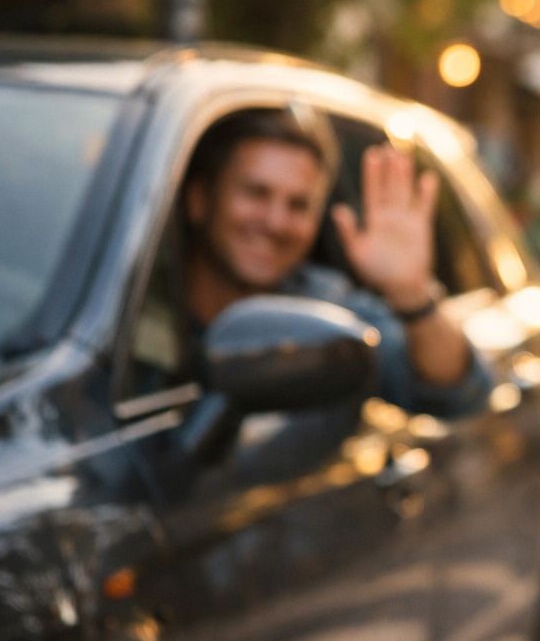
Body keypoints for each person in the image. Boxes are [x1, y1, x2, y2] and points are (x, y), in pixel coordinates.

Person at [183, 108, 491, 417]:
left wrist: (411, 294)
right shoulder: (141, 296)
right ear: (199, 199)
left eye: (299, 205)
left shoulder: (325, 305)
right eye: (256, 193)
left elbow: (458, 395)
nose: (276, 222)